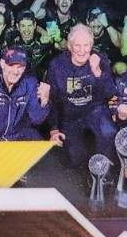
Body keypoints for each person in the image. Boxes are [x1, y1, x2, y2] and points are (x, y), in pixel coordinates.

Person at [43, 25, 114, 167]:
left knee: (108, 132)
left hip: (95, 110)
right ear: (69, 46)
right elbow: (53, 98)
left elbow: (110, 93)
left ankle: (104, 169)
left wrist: (98, 72)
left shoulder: (100, 59)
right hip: (70, 115)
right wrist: (53, 129)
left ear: (91, 46)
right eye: (77, 46)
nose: (82, 51)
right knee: (75, 159)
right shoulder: (57, 65)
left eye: (86, 45)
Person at [0, 47, 51, 141]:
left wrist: (44, 102)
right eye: (11, 65)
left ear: (24, 68)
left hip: (19, 138)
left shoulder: (30, 83)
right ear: (2, 64)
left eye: (20, 67)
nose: (15, 71)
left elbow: (36, 119)